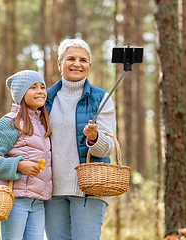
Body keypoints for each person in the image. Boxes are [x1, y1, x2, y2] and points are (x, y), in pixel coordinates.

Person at [44, 38, 116, 240]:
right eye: (71, 58)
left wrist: (95, 138)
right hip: (52, 190)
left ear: (89, 66)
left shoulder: (101, 98)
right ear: (60, 64)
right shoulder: (45, 99)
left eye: (83, 59)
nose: (77, 64)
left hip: (90, 189)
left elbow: (106, 149)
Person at [0, 70, 52, 240]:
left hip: (38, 201)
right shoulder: (10, 123)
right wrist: (18, 165)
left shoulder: (43, 124)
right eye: (33, 87)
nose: (40, 91)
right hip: (15, 200)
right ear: (21, 94)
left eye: (42, 87)